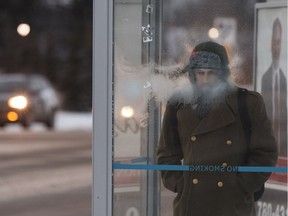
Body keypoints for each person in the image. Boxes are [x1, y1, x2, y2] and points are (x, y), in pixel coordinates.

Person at [157, 41, 278, 216]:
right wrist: (181, 184)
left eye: (211, 73)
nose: (205, 80)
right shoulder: (177, 103)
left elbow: (265, 153)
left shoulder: (247, 103)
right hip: (191, 203)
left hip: (231, 204)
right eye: (200, 73)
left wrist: (241, 186)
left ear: (222, 75)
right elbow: (167, 154)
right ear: (192, 75)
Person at [261, 18, 287, 157]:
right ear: (270, 44)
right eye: (274, 42)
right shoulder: (265, 78)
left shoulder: (284, 79)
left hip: (283, 147)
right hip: (267, 147)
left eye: (279, 42)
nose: (276, 47)